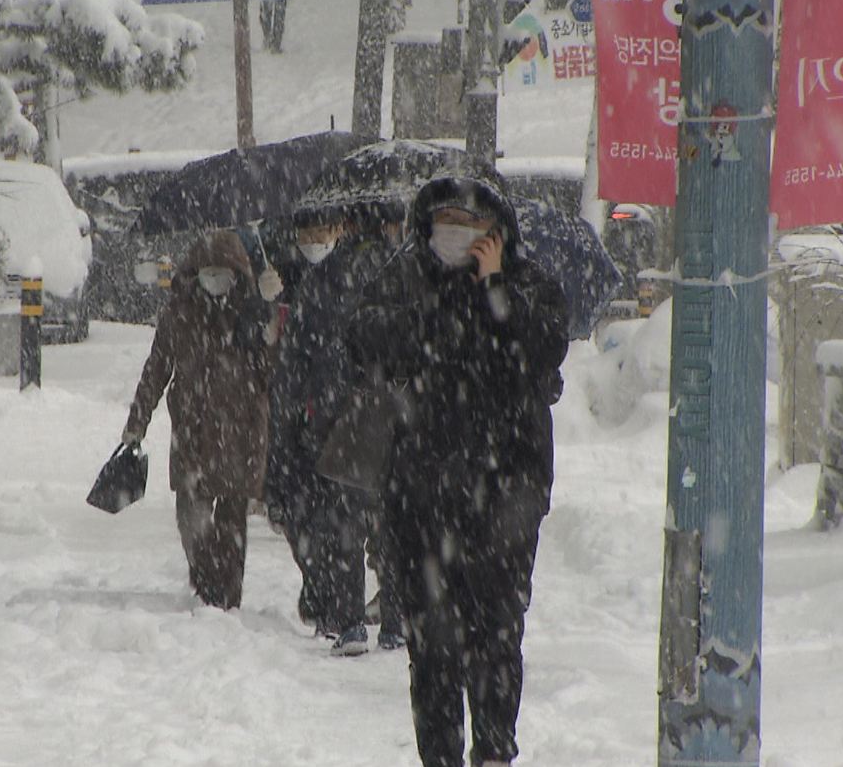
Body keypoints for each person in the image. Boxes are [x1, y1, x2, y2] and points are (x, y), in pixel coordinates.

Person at [345, 174, 569, 767]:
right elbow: (362, 335)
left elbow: (543, 346)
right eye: (445, 223)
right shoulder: (406, 275)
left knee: (496, 633)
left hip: (506, 494)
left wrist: (493, 289)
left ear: (496, 233)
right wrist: (432, 312)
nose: (455, 235)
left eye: (469, 226)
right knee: (433, 646)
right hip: (420, 493)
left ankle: (493, 751)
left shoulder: (528, 282)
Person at [265, 210, 404, 655]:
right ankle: (397, 620)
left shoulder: (323, 281)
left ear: (347, 228)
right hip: (395, 411)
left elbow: (294, 361)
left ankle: (348, 623)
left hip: (338, 416)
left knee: (344, 519)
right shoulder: (404, 273)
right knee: (392, 520)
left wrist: (290, 421)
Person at [121, 230, 283, 610]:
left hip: (241, 431)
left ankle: (227, 596)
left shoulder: (252, 310)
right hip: (193, 433)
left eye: (223, 271)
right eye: (208, 271)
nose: (215, 278)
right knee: (191, 520)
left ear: (237, 273)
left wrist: (271, 328)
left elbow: (272, 376)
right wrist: (136, 423)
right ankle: (209, 578)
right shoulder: (179, 315)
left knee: (232, 521)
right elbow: (156, 370)